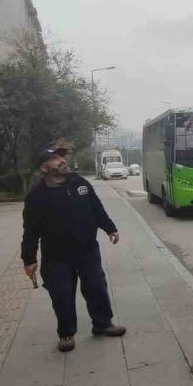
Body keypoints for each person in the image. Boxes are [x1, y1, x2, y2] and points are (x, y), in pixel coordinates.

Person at [21, 147, 126, 352]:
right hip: (56, 256)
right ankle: (66, 333)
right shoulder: (37, 195)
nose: (61, 161)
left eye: (61, 157)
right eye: (55, 159)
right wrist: (28, 259)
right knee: (62, 295)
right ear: (44, 167)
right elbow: (30, 230)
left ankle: (103, 324)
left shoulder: (80, 183)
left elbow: (96, 208)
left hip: (87, 250)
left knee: (97, 287)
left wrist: (110, 228)